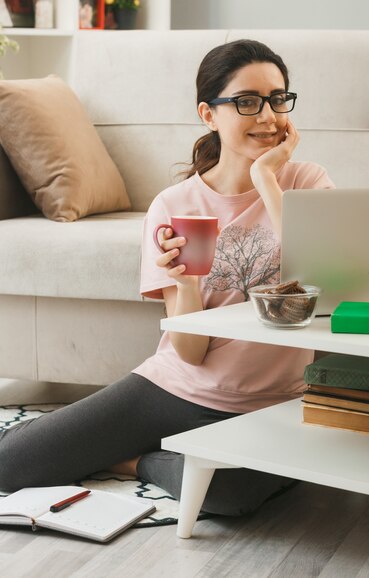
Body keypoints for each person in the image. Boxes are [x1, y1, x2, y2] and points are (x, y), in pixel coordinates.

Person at [0, 39, 334, 515]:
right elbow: (191, 353)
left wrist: (267, 180)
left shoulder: (306, 182)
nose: (267, 115)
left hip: (273, 401)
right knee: (10, 463)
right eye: (247, 101)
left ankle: (137, 460)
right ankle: (151, 449)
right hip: (178, 388)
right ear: (208, 114)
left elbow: (323, 282)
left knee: (227, 496)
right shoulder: (175, 206)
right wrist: (186, 283)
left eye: (278, 99)